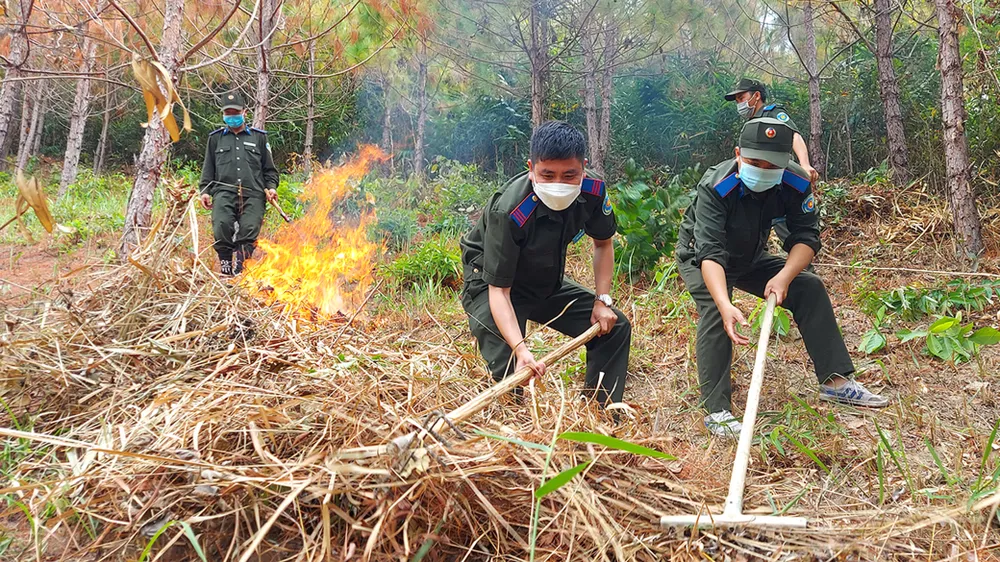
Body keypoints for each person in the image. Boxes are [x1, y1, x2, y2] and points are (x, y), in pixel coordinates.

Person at [675, 117, 889, 438]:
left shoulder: (795, 181)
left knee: (808, 287)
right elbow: (710, 253)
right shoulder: (717, 186)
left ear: (786, 163)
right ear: (738, 154)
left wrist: (785, 277)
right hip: (702, 257)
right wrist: (724, 303)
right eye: (753, 162)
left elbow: (806, 237)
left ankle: (836, 382)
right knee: (716, 310)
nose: (762, 169)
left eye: (771, 165)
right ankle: (717, 410)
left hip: (749, 255)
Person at [459, 121, 631, 408]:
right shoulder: (511, 210)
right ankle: (514, 434)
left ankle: (599, 414)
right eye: (547, 175)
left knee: (614, 327)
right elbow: (499, 292)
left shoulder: (593, 189)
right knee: (512, 374)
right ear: (531, 167)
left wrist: (602, 300)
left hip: (545, 279)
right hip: (492, 284)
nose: (558, 184)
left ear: (584, 167)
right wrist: (520, 348)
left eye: (569, 174)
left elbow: (603, 243)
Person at [725, 78, 817, 261]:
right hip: (753, 190)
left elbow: (794, 136)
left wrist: (804, 164)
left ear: (756, 95)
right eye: (736, 100)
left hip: (776, 183)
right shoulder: (751, 122)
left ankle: (803, 278)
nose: (739, 104)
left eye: (741, 97)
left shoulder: (772, 114)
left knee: (792, 235)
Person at [198, 92, 280, 276]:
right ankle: (226, 269)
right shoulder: (215, 138)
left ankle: (241, 270)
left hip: (254, 193)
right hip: (224, 192)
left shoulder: (259, 138)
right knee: (221, 226)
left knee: (249, 230)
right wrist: (205, 191)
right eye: (228, 113)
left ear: (244, 112)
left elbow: (270, 169)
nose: (232, 116)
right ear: (223, 114)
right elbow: (208, 168)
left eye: (235, 112)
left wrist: (272, 187)